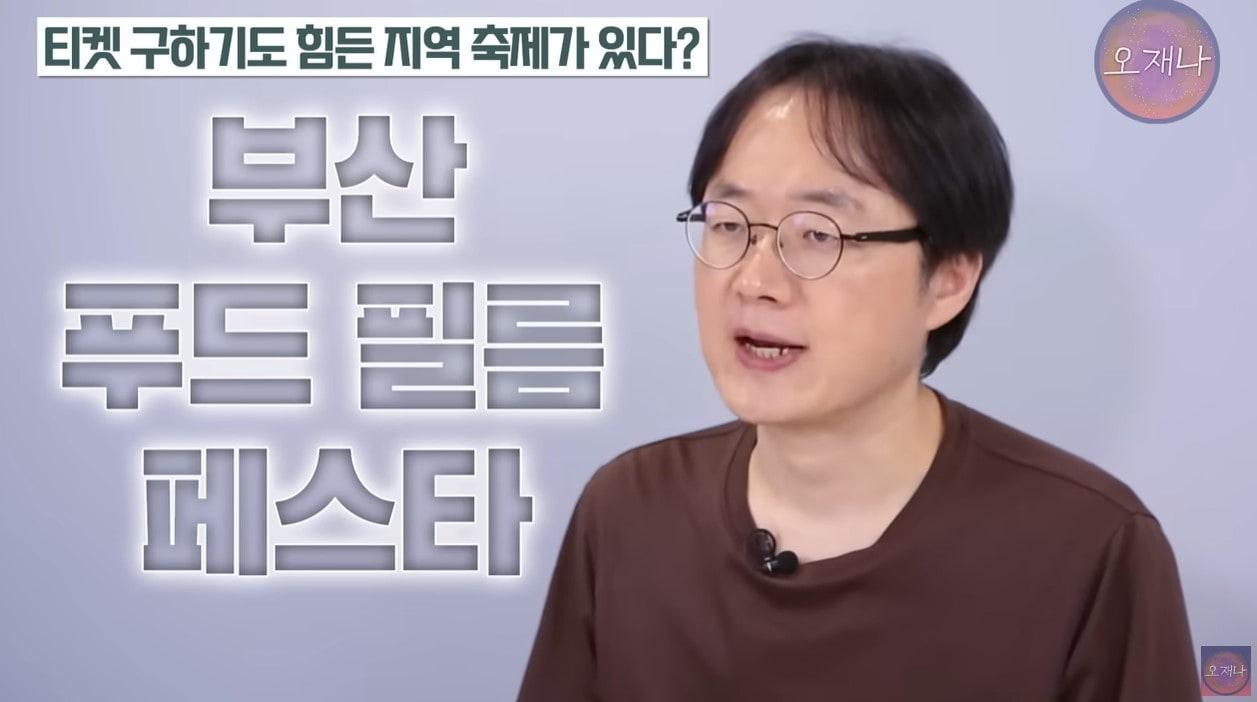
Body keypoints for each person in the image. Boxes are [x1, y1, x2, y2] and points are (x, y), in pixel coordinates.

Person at [517, 35, 1200, 701]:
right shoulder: (630, 510)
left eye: (817, 234)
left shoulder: (1087, 547)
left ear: (949, 279)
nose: (755, 281)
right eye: (728, 224)